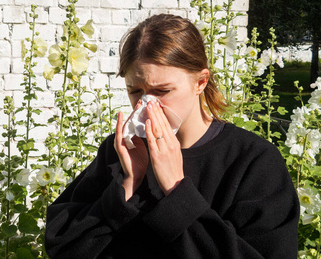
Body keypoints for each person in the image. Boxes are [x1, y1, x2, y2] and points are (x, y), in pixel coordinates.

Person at [45, 14, 299, 258]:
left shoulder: (253, 161)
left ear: (200, 82)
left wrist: (177, 192)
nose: (147, 105)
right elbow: (61, 244)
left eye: (162, 91)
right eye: (135, 91)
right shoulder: (123, 151)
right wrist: (127, 188)